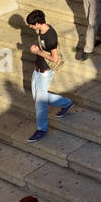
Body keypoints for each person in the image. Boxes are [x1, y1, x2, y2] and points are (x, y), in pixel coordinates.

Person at [25, 8, 74, 142]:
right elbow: (42, 46)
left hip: (46, 71)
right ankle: (66, 103)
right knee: (37, 97)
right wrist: (37, 47)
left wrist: (37, 52)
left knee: (40, 103)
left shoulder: (50, 35)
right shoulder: (41, 30)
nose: (30, 27)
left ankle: (42, 129)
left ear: (39, 23)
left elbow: (55, 59)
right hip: (38, 68)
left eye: (32, 24)